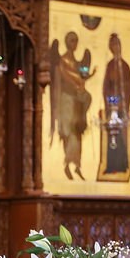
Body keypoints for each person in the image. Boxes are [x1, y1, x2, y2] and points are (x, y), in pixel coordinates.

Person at [49, 32, 93, 180]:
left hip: (76, 101)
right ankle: (67, 163)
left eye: (76, 41)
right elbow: (65, 79)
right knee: (68, 132)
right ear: (67, 42)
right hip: (66, 100)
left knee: (77, 131)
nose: (75, 43)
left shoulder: (77, 63)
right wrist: (77, 84)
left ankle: (77, 165)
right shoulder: (62, 61)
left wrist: (88, 77)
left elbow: (81, 78)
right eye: (72, 41)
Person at [101, 34, 130, 174]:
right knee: (112, 136)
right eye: (113, 45)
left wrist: (124, 106)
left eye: (117, 44)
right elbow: (107, 87)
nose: (116, 48)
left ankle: (122, 164)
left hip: (123, 107)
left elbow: (128, 88)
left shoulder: (125, 66)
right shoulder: (110, 66)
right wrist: (112, 104)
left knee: (121, 136)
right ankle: (112, 165)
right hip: (113, 107)